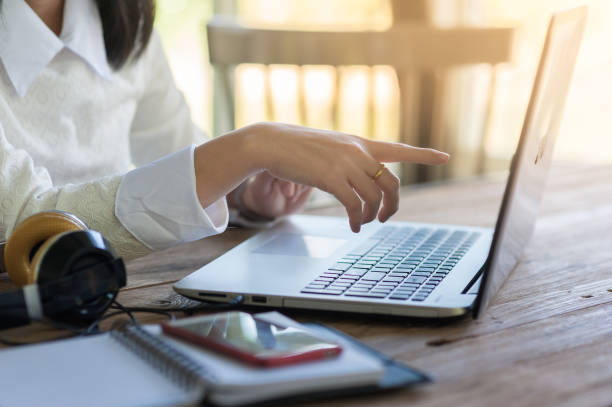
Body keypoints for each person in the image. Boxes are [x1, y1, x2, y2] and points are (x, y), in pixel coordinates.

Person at [0, 0, 449, 259]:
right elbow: (21, 225)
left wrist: (243, 191)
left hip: (110, 294)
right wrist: (252, 146)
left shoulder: (121, 17)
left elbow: (175, 151)